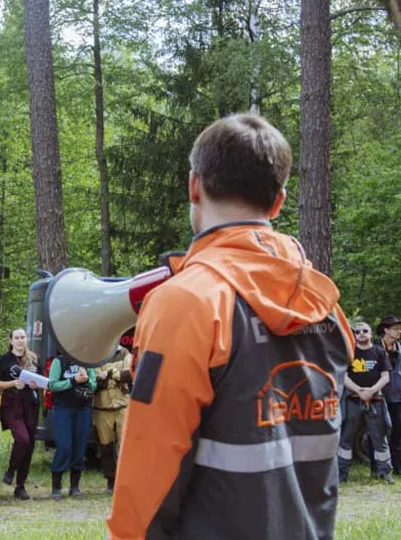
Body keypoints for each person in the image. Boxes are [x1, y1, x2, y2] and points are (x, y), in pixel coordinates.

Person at [106, 114, 354, 539]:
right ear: (278, 202)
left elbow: (150, 465)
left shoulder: (186, 302)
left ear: (194, 186)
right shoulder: (325, 305)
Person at [338, 322, 393, 483]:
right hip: (352, 400)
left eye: (365, 331)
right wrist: (359, 391)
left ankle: (384, 473)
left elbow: (386, 377)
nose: (361, 333)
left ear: (370, 334)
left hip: (376, 400)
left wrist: (370, 391)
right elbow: (343, 377)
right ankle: (342, 474)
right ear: (353, 335)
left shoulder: (379, 352)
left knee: (380, 437)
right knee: (346, 438)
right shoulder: (349, 353)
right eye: (357, 331)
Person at [0, 328, 40, 500]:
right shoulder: (3, 360)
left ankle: (20, 486)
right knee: (22, 439)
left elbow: (41, 379)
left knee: (30, 444)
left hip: (31, 404)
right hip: (12, 405)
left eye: (23, 337)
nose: (20, 340)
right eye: (17, 338)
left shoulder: (33, 358)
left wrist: (36, 384)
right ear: (11, 340)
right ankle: (11, 470)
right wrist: (13, 383)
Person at [46, 353, 96, 499]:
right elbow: (53, 385)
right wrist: (73, 380)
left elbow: (94, 385)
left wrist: (86, 379)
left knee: (80, 446)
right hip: (63, 408)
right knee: (64, 446)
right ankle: (56, 486)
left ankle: (75, 487)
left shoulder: (87, 360)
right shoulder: (59, 361)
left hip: (83, 409)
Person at [92, 346, 133, 493]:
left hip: (122, 405)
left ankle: (126, 481)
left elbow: (129, 374)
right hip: (101, 407)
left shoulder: (124, 353)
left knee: (126, 446)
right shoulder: (95, 354)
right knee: (105, 446)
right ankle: (111, 480)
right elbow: (94, 380)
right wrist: (115, 376)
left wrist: (109, 374)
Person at [377, 315, 401, 473]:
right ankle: (380, 468)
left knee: (398, 432)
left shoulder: (400, 349)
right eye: (395, 328)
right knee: (381, 432)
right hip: (380, 396)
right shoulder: (375, 349)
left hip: (398, 396)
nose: (399, 331)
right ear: (386, 330)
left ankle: (398, 467)